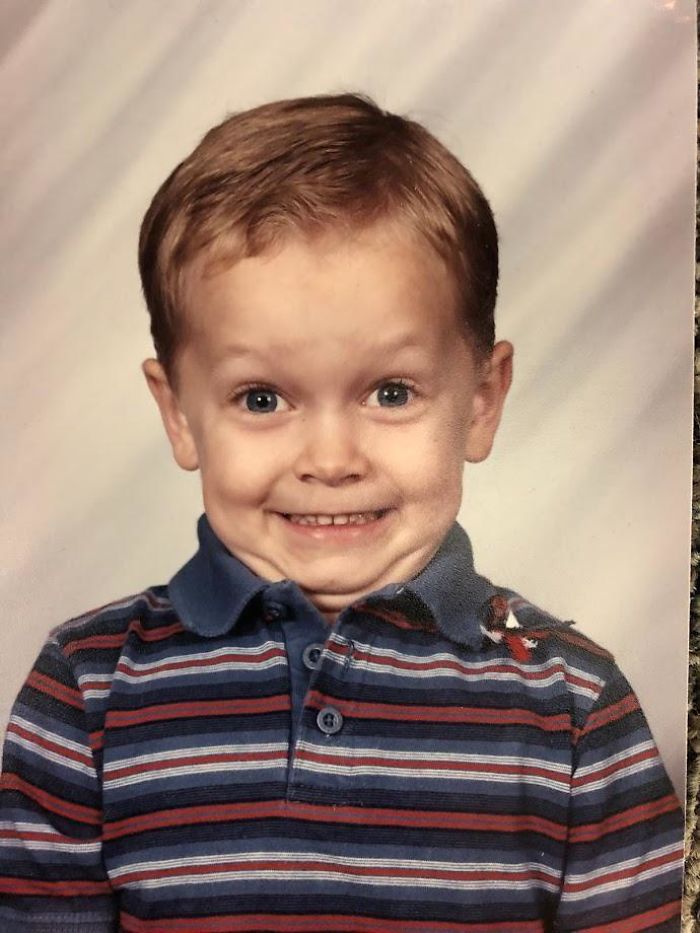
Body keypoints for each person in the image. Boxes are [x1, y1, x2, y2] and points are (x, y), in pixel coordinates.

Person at [0, 93, 683, 932]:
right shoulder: (87, 692)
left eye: (390, 392)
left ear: (480, 401)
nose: (329, 459)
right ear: (179, 411)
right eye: (262, 397)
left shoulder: (576, 705)